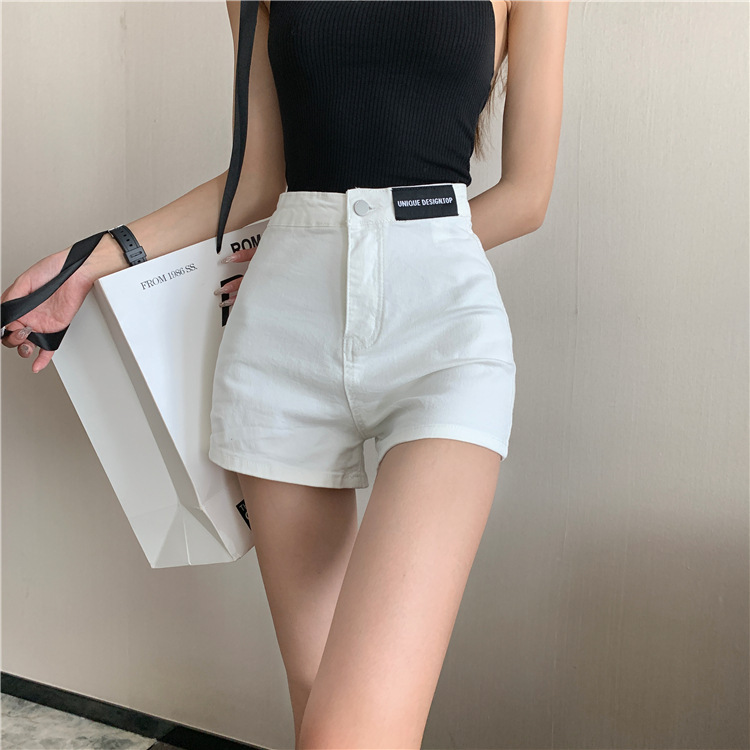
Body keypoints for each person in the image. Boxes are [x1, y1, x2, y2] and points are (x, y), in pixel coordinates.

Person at [1, 0, 569, 747]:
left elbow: (527, 196)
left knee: (348, 731)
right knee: (316, 702)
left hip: (442, 333)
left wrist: (388, 249)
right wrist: (86, 265)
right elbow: (259, 178)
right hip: (283, 332)